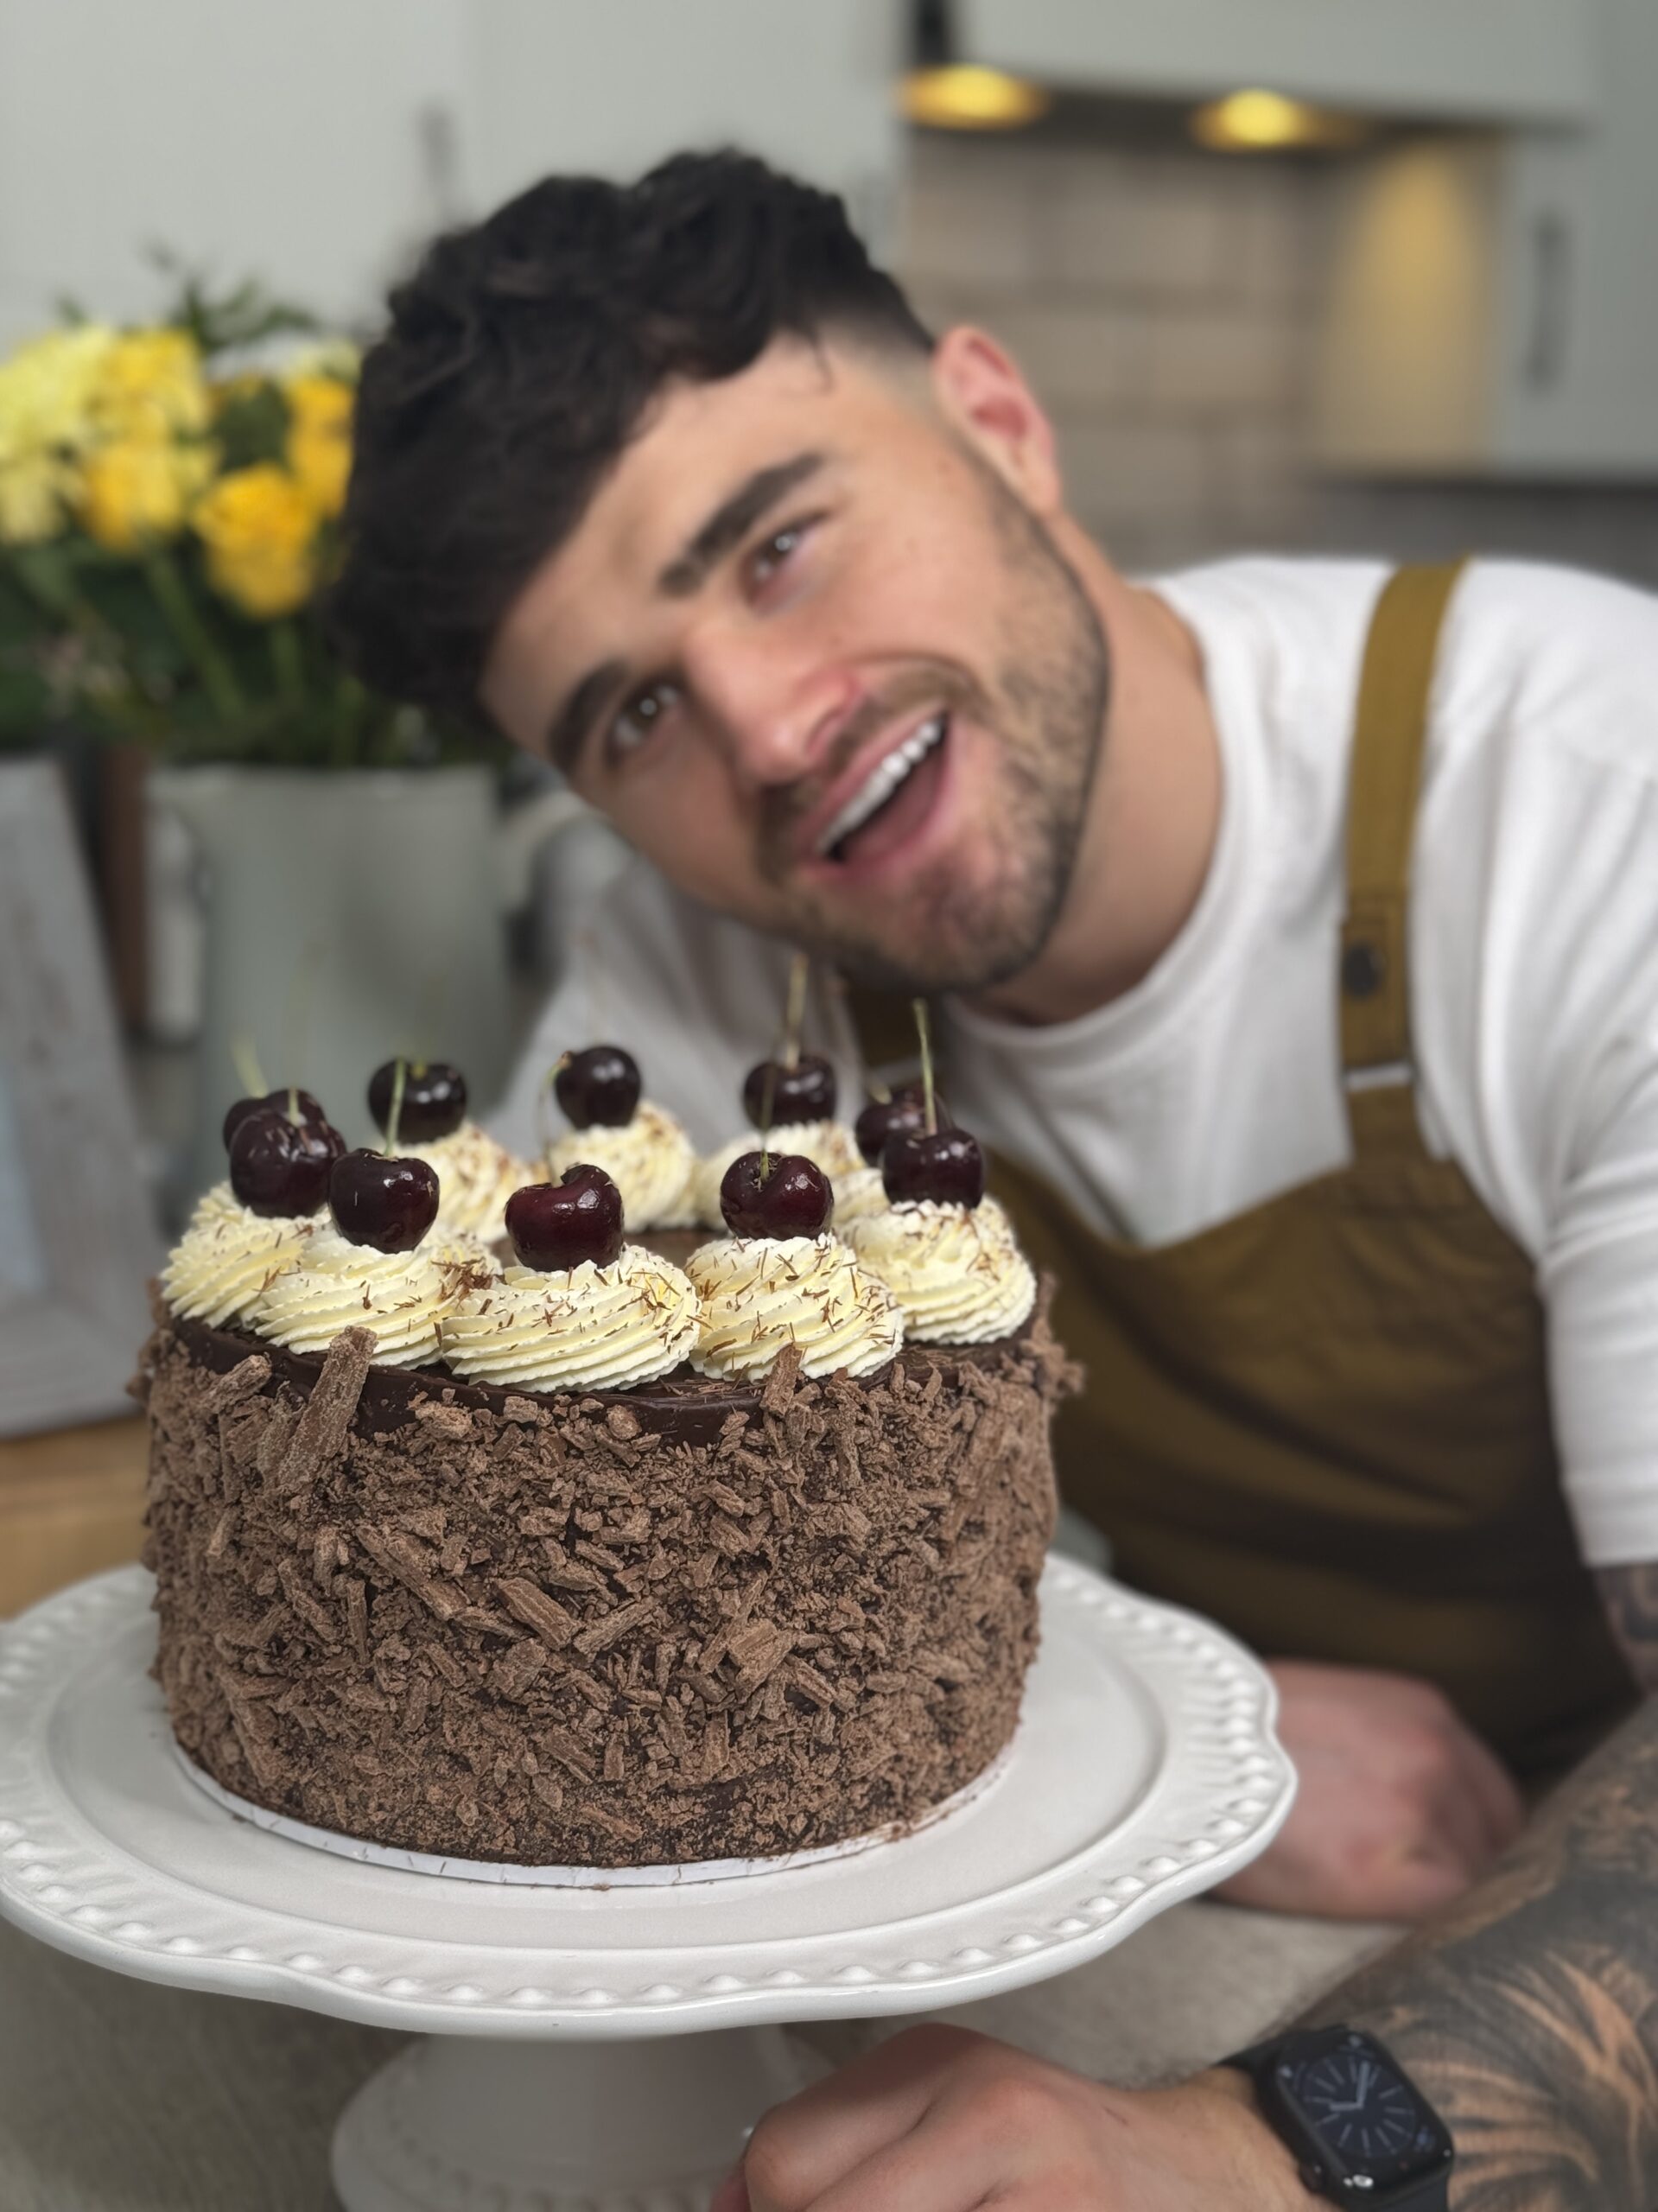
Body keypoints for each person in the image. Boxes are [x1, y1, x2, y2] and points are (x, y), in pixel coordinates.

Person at [330, 152, 1658, 2205]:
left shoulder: (1585, 803)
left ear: (1004, 425)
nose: (768, 733)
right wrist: (1177, 1706)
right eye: (638, 713)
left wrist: (1274, 2146)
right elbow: (561, 1555)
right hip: (1216, 1869)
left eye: (778, 544)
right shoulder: (700, 984)